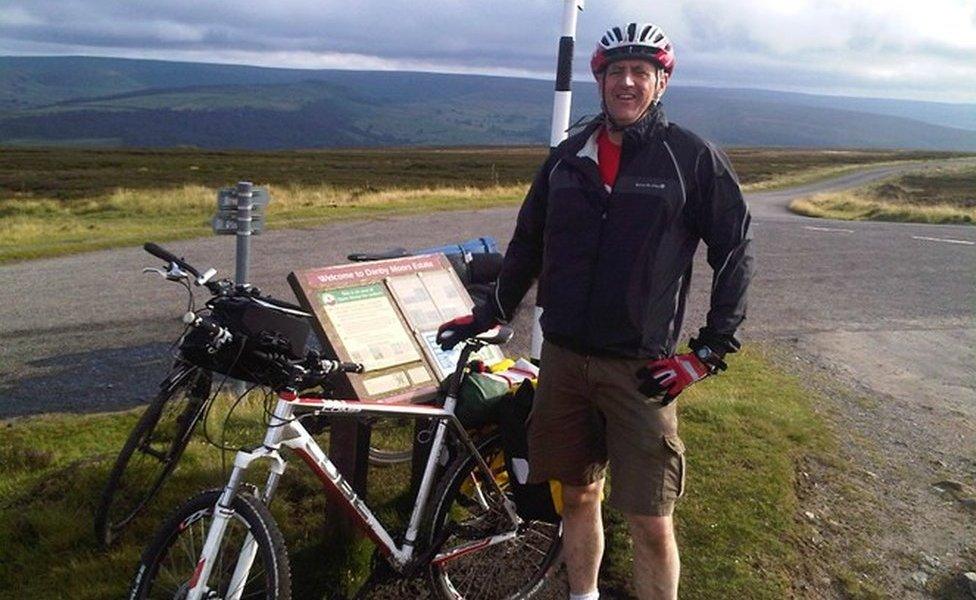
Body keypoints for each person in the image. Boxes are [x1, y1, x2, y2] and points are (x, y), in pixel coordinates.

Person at [437, 21, 753, 600]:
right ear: (600, 80)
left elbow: (733, 249)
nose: (627, 83)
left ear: (661, 82)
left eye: (641, 73)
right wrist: (492, 311)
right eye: (615, 72)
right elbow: (529, 240)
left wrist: (709, 351)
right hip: (563, 360)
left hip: (639, 370)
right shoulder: (567, 158)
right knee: (576, 497)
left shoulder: (691, 157)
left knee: (651, 519)